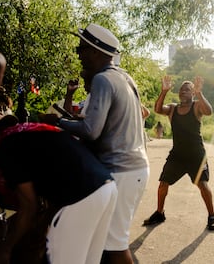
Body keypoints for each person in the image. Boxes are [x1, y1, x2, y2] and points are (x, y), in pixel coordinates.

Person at [42, 23, 150, 264]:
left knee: (115, 247)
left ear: (95, 51)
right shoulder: (123, 77)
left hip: (122, 171)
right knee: (102, 245)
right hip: (133, 169)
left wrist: (58, 121)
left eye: (82, 49)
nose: (78, 54)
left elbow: (91, 131)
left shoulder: (103, 79)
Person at [0, 115, 118, 264]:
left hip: (80, 196)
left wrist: (6, 248)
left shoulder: (6, 147)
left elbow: (29, 206)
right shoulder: (29, 134)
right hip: (106, 187)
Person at [143, 75, 214, 231]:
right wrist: (163, 91)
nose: (183, 92)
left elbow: (209, 112)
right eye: (181, 90)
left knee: (203, 185)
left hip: (196, 155)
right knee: (163, 184)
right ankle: (160, 212)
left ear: (192, 93)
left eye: (187, 90)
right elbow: (157, 109)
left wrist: (199, 93)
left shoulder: (197, 106)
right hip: (177, 155)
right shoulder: (172, 108)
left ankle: (212, 216)